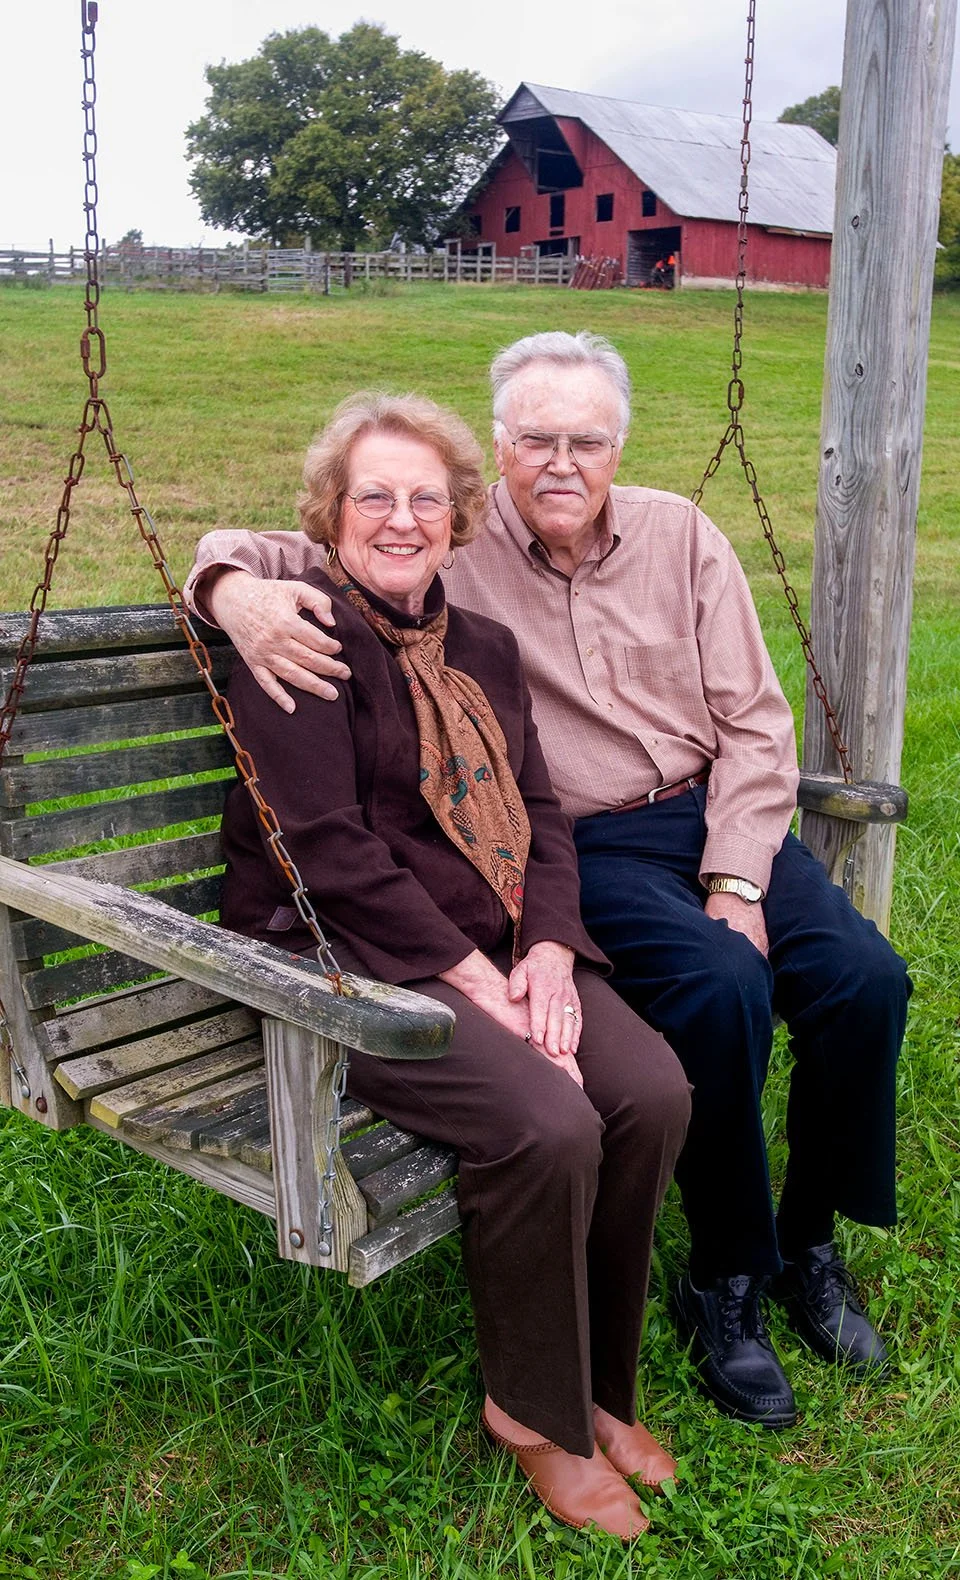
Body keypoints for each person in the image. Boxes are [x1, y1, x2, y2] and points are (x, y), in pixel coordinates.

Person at [185, 333, 911, 1431]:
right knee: (721, 991)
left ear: (617, 448)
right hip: (587, 839)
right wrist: (229, 588)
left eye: (586, 440)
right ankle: (725, 1273)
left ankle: (807, 1238)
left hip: (718, 816)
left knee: (866, 978)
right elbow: (308, 529)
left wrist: (736, 875)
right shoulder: (449, 541)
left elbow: (758, 724)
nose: (560, 463)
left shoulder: (680, 536)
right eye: (536, 438)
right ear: (503, 448)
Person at [218, 391, 692, 1541]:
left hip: (491, 941)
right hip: (347, 957)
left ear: (459, 518)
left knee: (651, 1091)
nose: (400, 518)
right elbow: (325, 848)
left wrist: (543, 950)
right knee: (549, 1121)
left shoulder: (480, 645)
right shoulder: (300, 636)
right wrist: (478, 979)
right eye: (373, 495)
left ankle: (595, 1383)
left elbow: (542, 810)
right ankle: (530, 1413)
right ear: (330, 513)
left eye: (425, 497)